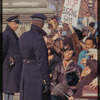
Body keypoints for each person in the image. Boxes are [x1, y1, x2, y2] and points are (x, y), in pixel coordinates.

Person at [19, 13, 50, 100]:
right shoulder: (38, 39)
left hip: (25, 72)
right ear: (42, 24)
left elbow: (20, 55)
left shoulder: (23, 36)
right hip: (36, 75)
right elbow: (42, 62)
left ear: (32, 22)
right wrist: (46, 81)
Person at [3, 15, 23, 100]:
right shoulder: (6, 34)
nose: (17, 26)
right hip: (9, 68)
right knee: (9, 91)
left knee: (10, 91)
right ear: (9, 23)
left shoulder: (11, 34)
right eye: (15, 23)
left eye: (18, 24)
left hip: (12, 68)